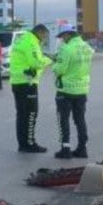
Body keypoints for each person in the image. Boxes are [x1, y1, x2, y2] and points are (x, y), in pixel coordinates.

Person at [52, 23, 95, 159]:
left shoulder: (66, 48)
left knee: (63, 119)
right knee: (80, 119)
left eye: (62, 36)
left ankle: (65, 149)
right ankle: (82, 148)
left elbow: (60, 69)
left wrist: (55, 64)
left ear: (68, 35)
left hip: (66, 90)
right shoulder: (87, 47)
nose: (62, 39)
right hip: (82, 89)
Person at [9, 24, 53, 153]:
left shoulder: (22, 39)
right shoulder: (31, 42)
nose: (44, 39)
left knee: (22, 115)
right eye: (45, 36)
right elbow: (36, 63)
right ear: (40, 32)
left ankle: (23, 144)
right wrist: (49, 60)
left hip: (18, 81)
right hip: (27, 83)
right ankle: (30, 143)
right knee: (31, 114)